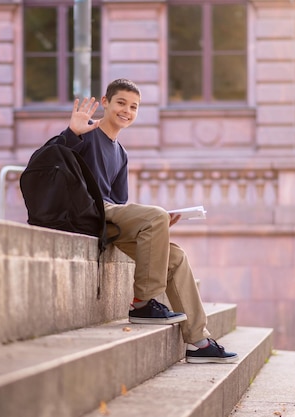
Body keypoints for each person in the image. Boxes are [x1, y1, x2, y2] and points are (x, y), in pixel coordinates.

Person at [59, 78, 238, 364]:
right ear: (105, 103)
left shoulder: (121, 153)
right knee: (155, 216)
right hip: (87, 212)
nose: (126, 111)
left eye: (133, 106)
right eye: (120, 103)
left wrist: (156, 224)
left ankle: (198, 341)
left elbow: (120, 204)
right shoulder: (85, 134)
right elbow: (47, 162)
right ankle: (142, 302)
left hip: (109, 217)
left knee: (176, 255)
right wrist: (70, 133)